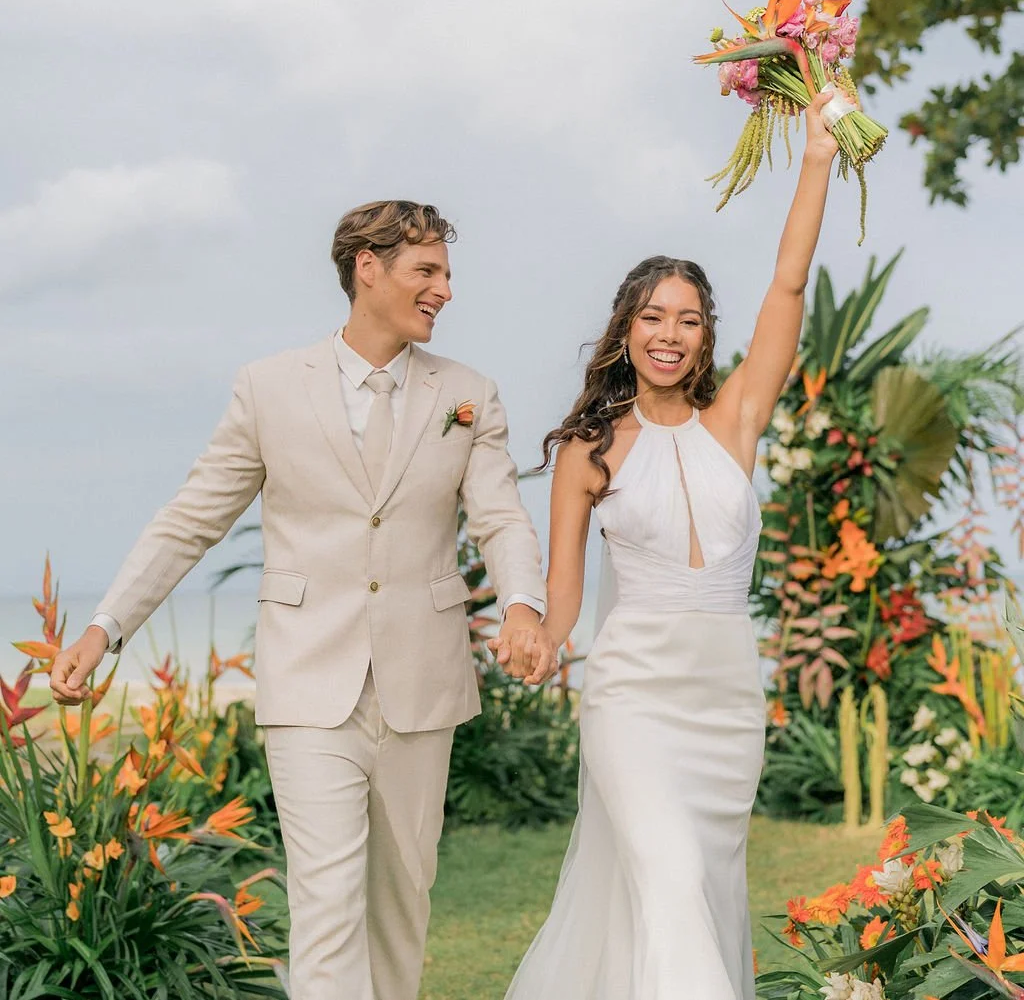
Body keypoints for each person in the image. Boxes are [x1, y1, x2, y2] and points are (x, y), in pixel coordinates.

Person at [49, 199, 556, 1000]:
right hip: (307, 680)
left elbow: (500, 516)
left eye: (448, 274)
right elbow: (191, 519)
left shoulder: (469, 394)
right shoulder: (269, 388)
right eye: (427, 270)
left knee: (402, 902)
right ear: (368, 266)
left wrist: (524, 604)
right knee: (324, 903)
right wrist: (105, 627)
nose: (446, 290)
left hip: (421, 684)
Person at [506, 89, 841, 1000]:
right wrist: (535, 634)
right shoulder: (588, 450)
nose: (669, 333)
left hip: (726, 699)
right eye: (653, 316)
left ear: (704, 339)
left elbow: (788, 284)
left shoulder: (735, 421)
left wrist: (815, 157)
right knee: (667, 876)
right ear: (626, 328)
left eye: (688, 319)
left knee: (703, 889)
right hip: (634, 697)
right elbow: (566, 600)